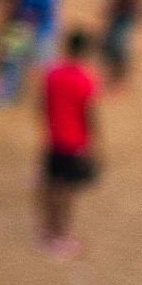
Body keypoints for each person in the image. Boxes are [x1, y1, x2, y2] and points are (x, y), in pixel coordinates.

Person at [37, 28, 100, 255]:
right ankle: (61, 234)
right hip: (73, 142)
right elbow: (89, 114)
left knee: (51, 185)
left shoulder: (52, 73)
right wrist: (94, 144)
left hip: (53, 138)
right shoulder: (85, 80)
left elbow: (43, 103)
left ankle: (47, 230)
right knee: (67, 191)